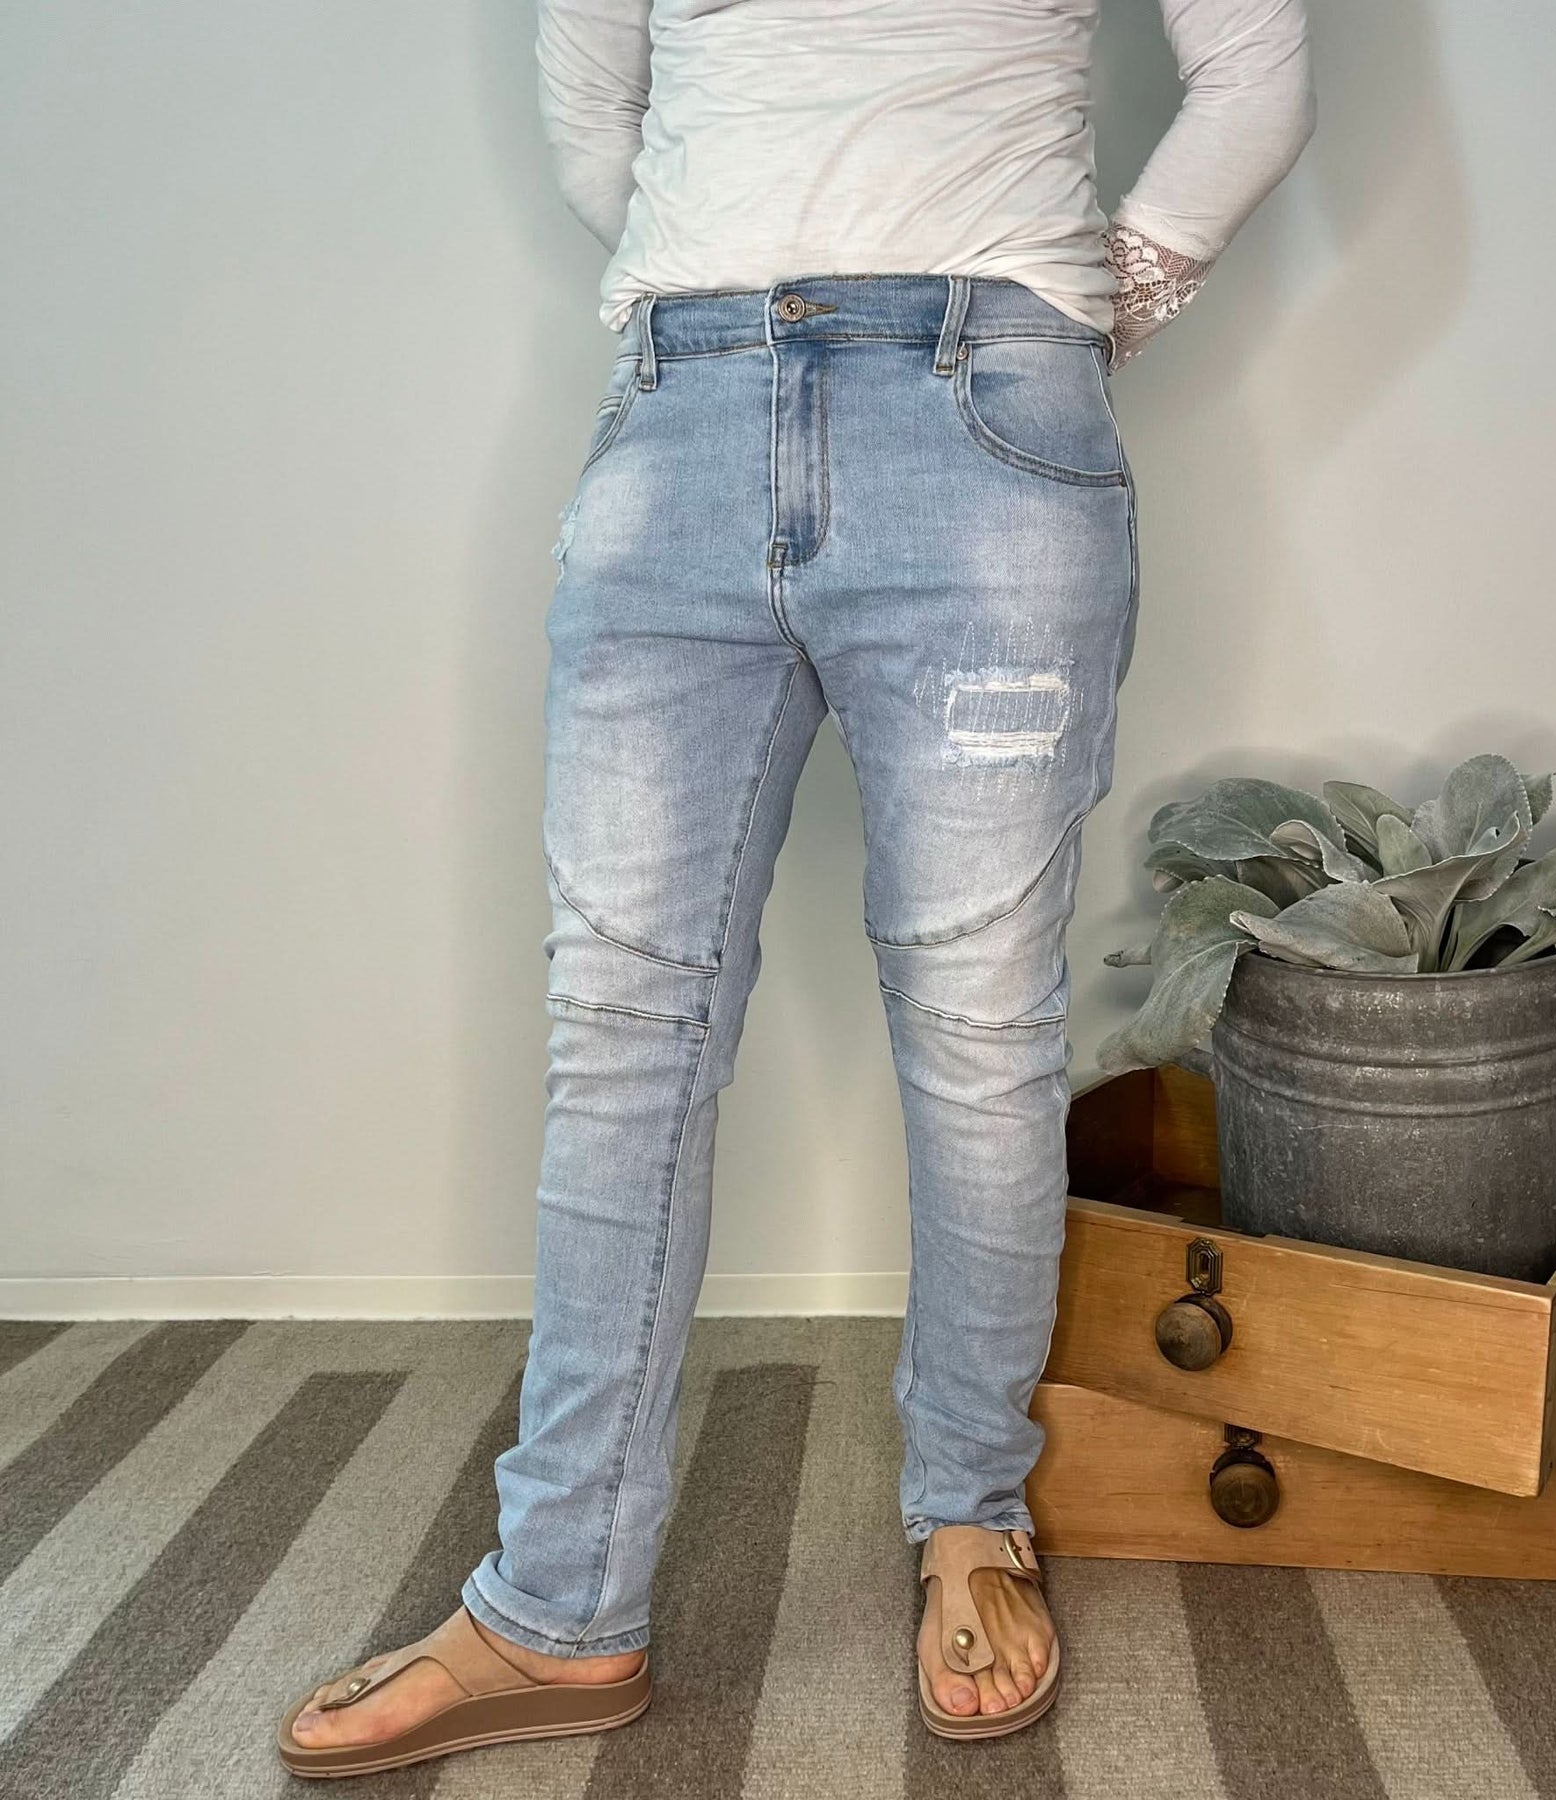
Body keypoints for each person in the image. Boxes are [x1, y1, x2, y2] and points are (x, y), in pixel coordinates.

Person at [278, 0, 1313, 1776]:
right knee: (621, 1030)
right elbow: (595, 106)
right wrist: (739, 281)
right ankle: (555, 1608)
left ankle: (973, 1512)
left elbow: (1255, 73)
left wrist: (1068, 314)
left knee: (977, 1030)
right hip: (683, 418)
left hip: (984, 420)